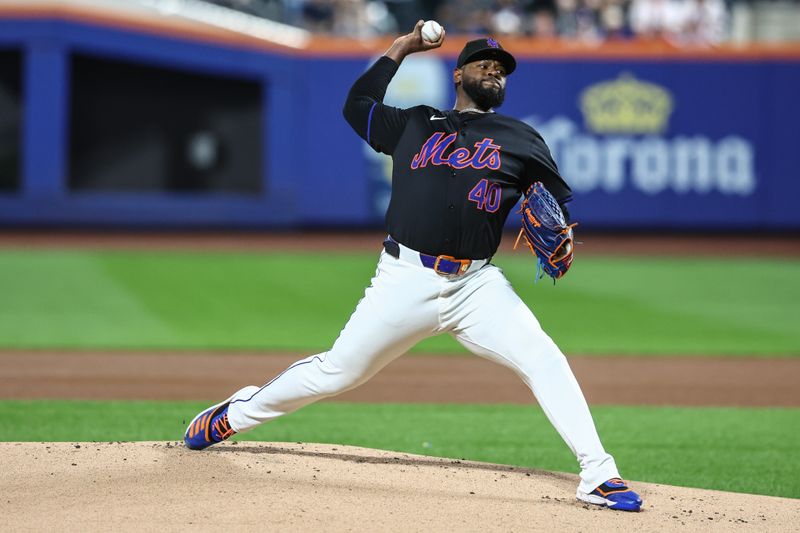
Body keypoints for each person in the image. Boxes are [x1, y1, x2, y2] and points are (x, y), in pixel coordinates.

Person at [183, 21, 643, 512]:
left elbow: (557, 205)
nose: (495, 71)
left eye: (502, 69)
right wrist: (400, 48)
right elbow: (355, 107)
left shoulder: (522, 138)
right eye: (484, 64)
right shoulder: (415, 123)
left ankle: (599, 474)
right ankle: (238, 413)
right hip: (405, 278)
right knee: (339, 372)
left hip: (476, 285)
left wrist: (564, 232)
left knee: (545, 359)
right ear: (459, 75)